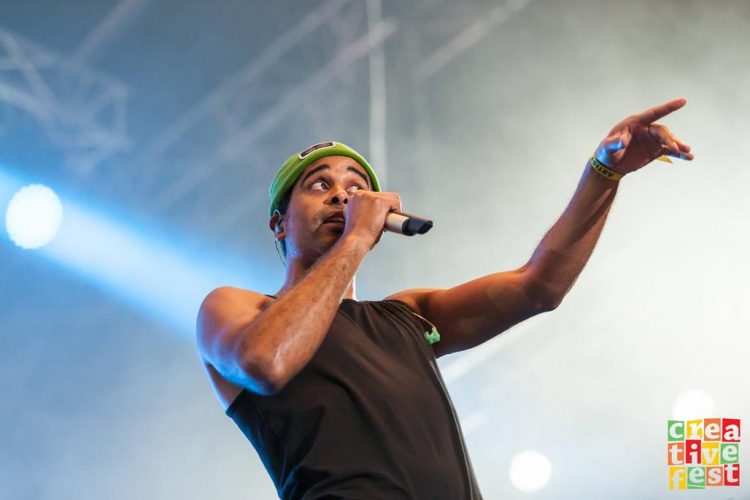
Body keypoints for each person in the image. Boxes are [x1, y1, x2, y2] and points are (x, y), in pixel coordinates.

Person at [195, 98, 694, 499]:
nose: (342, 196)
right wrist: (356, 238)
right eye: (320, 185)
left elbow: (538, 287)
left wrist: (603, 173)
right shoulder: (236, 309)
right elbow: (266, 362)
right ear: (279, 223)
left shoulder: (406, 315)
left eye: (356, 187)